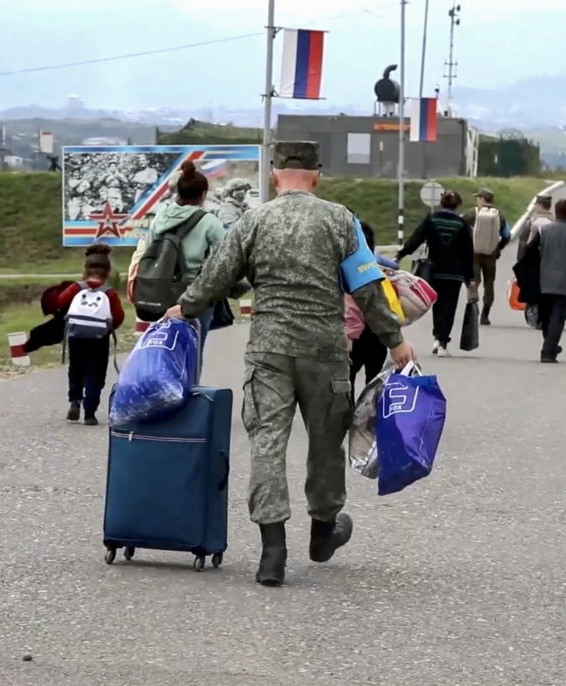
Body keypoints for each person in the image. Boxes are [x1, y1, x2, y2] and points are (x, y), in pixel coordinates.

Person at [163, 141, 414, 587]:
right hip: (326, 351)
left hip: (269, 351)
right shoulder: (341, 219)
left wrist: (182, 309)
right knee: (325, 445)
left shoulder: (253, 220)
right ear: (316, 175)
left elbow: (215, 278)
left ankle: (272, 552)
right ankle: (322, 533)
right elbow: (367, 285)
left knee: (267, 443)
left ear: (275, 176)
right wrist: (395, 340)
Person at [127, 160, 226, 367]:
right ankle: (188, 394)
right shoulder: (209, 222)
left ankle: (162, 391)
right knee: (192, 354)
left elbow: (150, 251)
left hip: (161, 292)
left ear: (178, 192)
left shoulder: (159, 218)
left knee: (164, 349)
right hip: (194, 296)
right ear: (203, 194)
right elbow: (224, 259)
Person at [395, 190, 474, 356]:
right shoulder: (461, 223)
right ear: (457, 205)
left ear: (441, 203)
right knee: (449, 306)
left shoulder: (432, 219)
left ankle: (437, 336)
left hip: (434, 271)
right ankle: (442, 342)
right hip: (454, 274)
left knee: (437, 306)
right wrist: (470, 277)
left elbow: (417, 238)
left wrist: (401, 254)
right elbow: (468, 252)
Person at [56, 244, 125, 425]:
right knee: (95, 373)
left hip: (76, 336)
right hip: (99, 339)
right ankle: (90, 413)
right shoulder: (109, 293)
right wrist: (107, 328)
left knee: (76, 369)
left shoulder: (76, 288)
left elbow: (59, 301)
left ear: (85, 269)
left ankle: (75, 401)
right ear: (108, 271)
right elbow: (118, 317)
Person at [523, 199, 566, 363]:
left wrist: (533, 267)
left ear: (556, 210)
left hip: (544, 278)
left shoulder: (544, 230)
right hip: (565, 281)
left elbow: (529, 249)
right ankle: (549, 351)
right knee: (558, 317)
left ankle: (549, 345)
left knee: (546, 316)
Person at [345, 220, 389, 401]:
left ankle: (349, 417)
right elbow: (393, 266)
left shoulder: (344, 268)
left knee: (348, 377)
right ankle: (369, 419)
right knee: (374, 379)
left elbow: (348, 306)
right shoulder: (376, 264)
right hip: (376, 330)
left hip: (353, 334)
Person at [462, 188, 511, 325]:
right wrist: (498, 248)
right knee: (489, 285)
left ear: (482, 199)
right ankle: (485, 315)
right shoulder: (499, 215)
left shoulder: (471, 214)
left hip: (474, 254)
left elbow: (461, 231)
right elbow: (507, 235)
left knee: (473, 283)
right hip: (491, 256)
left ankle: (472, 307)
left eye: (478, 198)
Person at [516, 194, 554, 263]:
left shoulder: (532, 221)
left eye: (536, 204)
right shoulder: (554, 222)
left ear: (540, 205)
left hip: (532, 259)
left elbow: (523, 241)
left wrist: (520, 261)